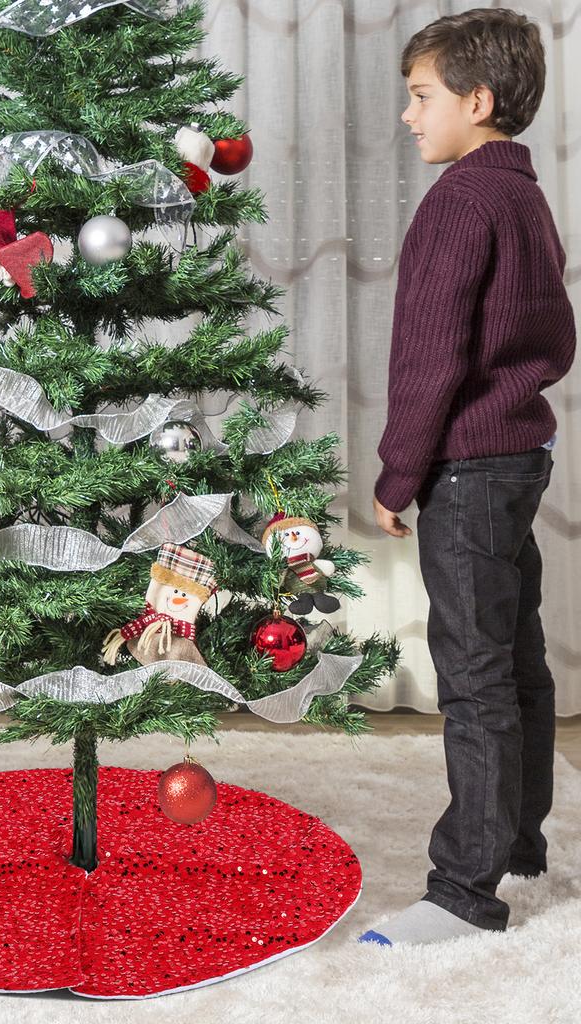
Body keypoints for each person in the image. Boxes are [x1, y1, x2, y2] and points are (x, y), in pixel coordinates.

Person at [363, 10, 575, 946]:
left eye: (421, 97)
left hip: (469, 469)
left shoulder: (457, 203)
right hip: (520, 457)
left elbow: (429, 358)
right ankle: (519, 839)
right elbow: (554, 338)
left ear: (477, 102)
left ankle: (464, 889)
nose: (409, 117)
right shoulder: (523, 196)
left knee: (475, 672)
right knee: (517, 658)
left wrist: (398, 474)